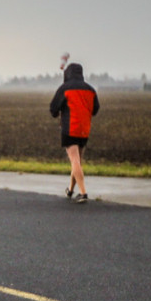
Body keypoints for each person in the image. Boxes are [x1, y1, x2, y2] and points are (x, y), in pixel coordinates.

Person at [50, 62, 100, 203]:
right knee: (77, 162)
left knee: (74, 160)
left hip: (69, 128)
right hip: (84, 129)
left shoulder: (64, 88)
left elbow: (53, 108)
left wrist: (59, 113)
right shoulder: (90, 89)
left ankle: (83, 193)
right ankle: (71, 190)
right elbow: (96, 109)